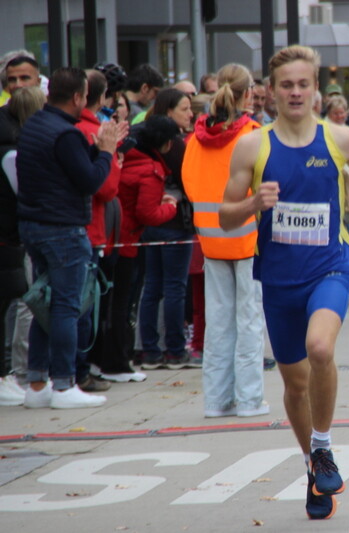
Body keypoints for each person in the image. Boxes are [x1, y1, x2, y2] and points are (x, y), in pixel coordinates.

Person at [218, 45, 349, 520]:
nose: (295, 92)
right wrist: (253, 205)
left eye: (303, 84)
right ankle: (313, 466)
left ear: (316, 89)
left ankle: (324, 444)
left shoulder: (340, 138)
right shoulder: (253, 146)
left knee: (320, 350)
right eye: (286, 85)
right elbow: (222, 216)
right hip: (277, 278)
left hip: (330, 267)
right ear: (270, 92)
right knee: (295, 386)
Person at [16, 67, 123, 409]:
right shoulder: (66, 134)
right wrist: (106, 151)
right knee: (65, 306)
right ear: (78, 97)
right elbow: (92, 182)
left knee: (45, 306)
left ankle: (36, 385)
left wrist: (92, 151)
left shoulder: (35, 124)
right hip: (62, 229)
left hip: (34, 225)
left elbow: (65, 171)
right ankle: (63, 385)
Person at [182, 63, 270, 418]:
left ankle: (216, 402)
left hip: (211, 240)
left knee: (218, 323)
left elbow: (190, 183)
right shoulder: (252, 133)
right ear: (249, 93)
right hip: (247, 239)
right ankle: (249, 400)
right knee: (249, 321)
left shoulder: (196, 138)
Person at [75, 69, 133, 387]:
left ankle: (61, 373)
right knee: (82, 306)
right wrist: (112, 159)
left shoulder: (76, 127)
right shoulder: (93, 130)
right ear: (100, 97)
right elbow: (106, 189)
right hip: (89, 229)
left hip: (81, 228)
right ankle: (77, 372)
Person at [137, 88, 195, 370]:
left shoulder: (142, 135)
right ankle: (174, 349)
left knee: (153, 286)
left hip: (149, 222)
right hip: (173, 221)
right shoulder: (175, 143)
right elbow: (190, 182)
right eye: (185, 108)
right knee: (173, 287)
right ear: (168, 111)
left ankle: (150, 350)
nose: (190, 114)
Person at [0, 86, 45, 405]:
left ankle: (9, 372)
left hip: (12, 237)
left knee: (16, 303)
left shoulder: (14, 147)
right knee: (18, 304)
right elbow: (24, 194)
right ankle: (9, 372)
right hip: (9, 237)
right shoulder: (13, 152)